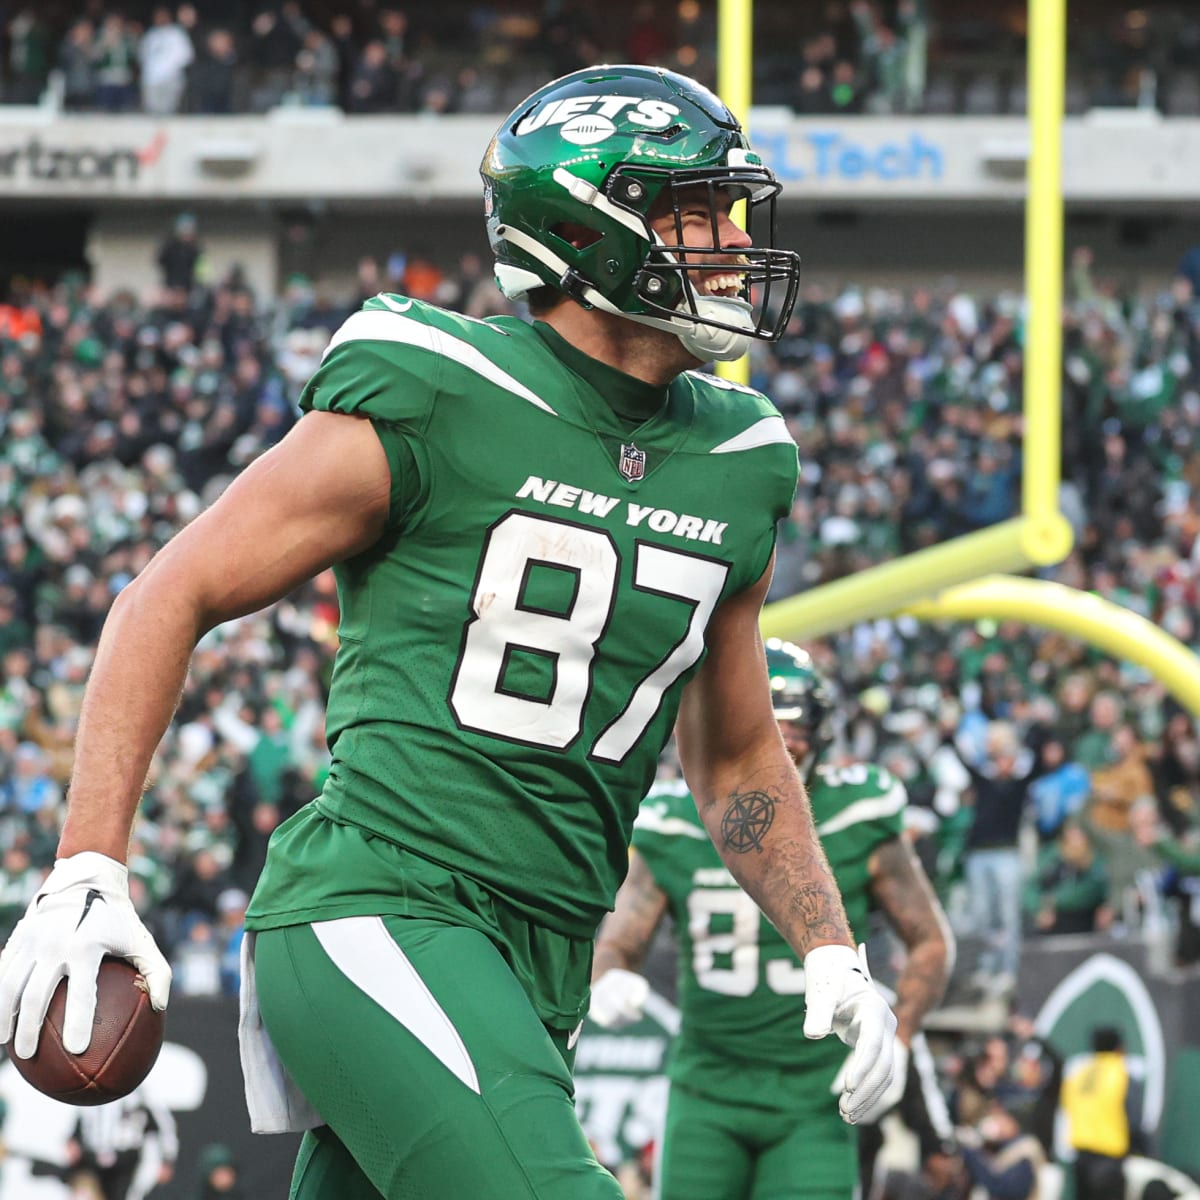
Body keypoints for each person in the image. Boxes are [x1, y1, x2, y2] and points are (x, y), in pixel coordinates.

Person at [0, 65, 896, 1200]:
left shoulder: (743, 457)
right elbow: (168, 593)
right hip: (379, 904)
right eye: (694, 209)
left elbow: (733, 754)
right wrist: (88, 866)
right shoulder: (440, 385)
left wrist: (825, 939)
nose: (729, 238)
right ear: (593, 229)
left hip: (541, 960)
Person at [590, 642, 953, 1200]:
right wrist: (608, 974)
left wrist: (901, 1038)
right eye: (765, 721)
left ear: (823, 729)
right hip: (707, 1090)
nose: (782, 740)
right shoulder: (674, 822)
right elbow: (621, 942)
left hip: (816, 1096)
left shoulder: (859, 813)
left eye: (796, 723)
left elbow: (929, 940)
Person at [1060, 1027, 1143, 1200]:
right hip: (1108, 1159)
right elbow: (1134, 1121)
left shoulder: (1079, 1075)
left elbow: (1067, 1106)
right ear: (1118, 1047)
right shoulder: (1121, 1074)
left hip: (1080, 1157)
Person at [65, 1083, 178, 1200]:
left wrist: (167, 1158)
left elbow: (162, 1125)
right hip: (92, 1158)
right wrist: (73, 1139)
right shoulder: (91, 1091)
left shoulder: (140, 1093)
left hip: (127, 1159)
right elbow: (81, 1118)